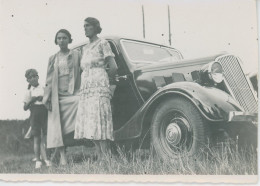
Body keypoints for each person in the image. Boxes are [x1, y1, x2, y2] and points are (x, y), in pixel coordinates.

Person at [74, 17, 118, 159]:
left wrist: (110, 85)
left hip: (99, 85)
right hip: (86, 88)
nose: (85, 28)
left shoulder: (103, 43)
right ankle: (100, 156)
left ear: (95, 27)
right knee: (91, 121)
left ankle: (106, 156)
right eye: (84, 26)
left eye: (88, 26)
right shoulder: (84, 48)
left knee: (100, 119)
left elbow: (113, 67)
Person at [42, 29, 81, 165]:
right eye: (59, 38)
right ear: (56, 40)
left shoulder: (76, 54)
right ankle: (63, 157)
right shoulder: (53, 58)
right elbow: (48, 79)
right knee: (56, 127)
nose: (61, 40)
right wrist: (46, 98)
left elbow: (83, 72)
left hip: (74, 93)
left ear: (69, 39)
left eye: (64, 38)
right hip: (56, 96)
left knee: (80, 103)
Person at [23, 69, 52, 169]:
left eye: (34, 76)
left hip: (44, 113)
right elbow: (25, 108)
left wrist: (43, 99)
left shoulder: (44, 88)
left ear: (38, 77)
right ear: (28, 80)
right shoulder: (28, 91)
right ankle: (38, 161)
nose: (33, 78)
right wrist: (33, 99)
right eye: (30, 77)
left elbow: (49, 100)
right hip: (34, 115)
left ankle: (47, 159)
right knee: (37, 138)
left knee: (45, 137)